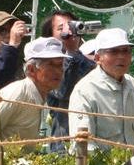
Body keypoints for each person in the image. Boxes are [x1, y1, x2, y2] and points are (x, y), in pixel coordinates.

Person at [0, 37, 66, 152]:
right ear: (31, 69)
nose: (59, 71)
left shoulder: (42, 96)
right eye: (51, 65)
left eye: (60, 65)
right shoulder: (17, 93)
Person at [41, 10, 96, 150]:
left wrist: (74, 52)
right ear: (50, 37)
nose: (68, 31)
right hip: (64, 144)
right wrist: (71, 52)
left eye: (71, 26)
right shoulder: (44, 66)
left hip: (92, 138)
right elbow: (62, 92)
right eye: (61, 28)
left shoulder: (82, 59)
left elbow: (97, 77)